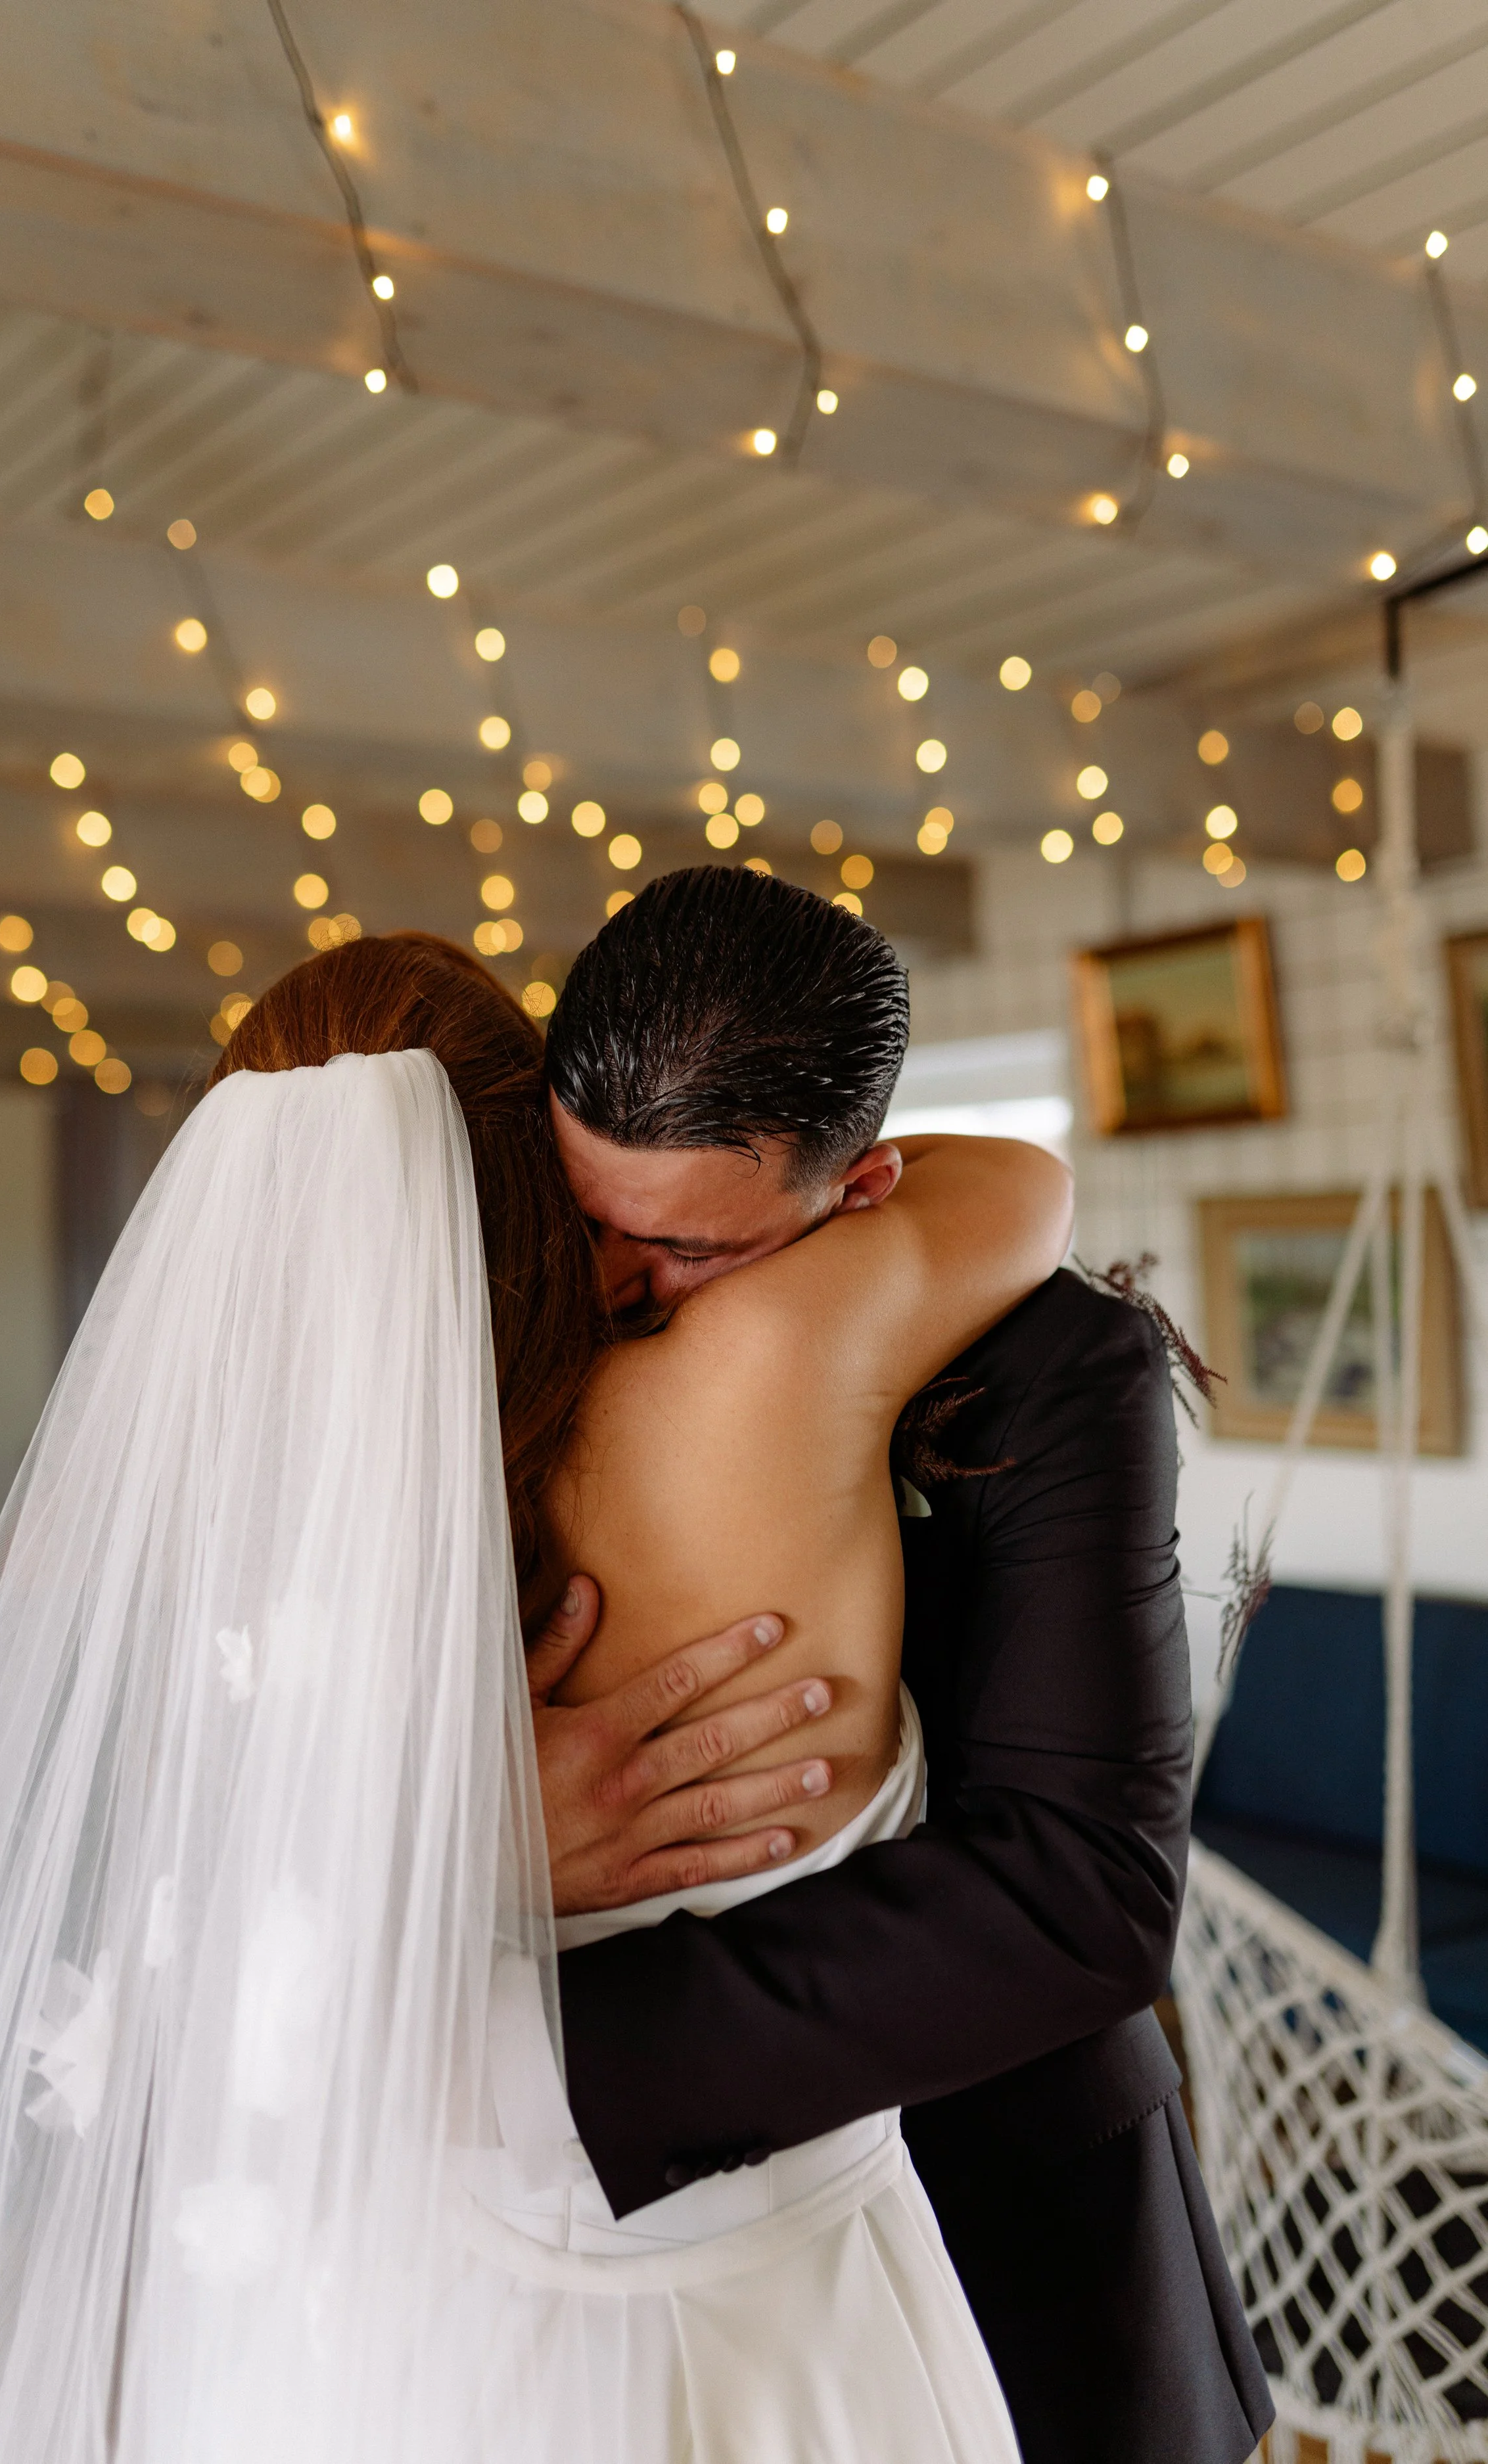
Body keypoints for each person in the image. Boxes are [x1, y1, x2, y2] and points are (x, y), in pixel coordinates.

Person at [0, 929, 1067, 2463]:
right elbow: (1023, 1186)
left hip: (388, 2319)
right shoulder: (760, 1367)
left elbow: (172, 1924)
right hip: (767, 2316)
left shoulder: (222, 1511)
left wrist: (415, 1850)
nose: (637, 1276)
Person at [533, 865, 1276, 2464]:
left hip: (1006, 2231)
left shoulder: (1053, 1364)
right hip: (605, 2306)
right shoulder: (493, 1328)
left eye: (676, 1251)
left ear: (860, 1186)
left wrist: (520, 2063)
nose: (607, 1286)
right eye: (583, 1215)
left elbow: (1077, 1891)